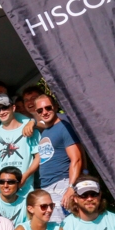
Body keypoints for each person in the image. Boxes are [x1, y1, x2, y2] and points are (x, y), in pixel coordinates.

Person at [34, 94, 83, 223]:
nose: (44, 112)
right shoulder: (46, 131)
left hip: (62, 184)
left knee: (66, 228)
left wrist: (71, 188)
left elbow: (77, 159)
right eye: (40, 110)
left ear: (55, 106)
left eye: (48, 108)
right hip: (46, 186)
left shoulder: (65, 127)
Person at [0, 95, 39, 195]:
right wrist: (4, 179)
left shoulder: (30, 130)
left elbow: (38, 157)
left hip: (25, 191)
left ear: (13, 108)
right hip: (0, 193)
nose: (1, 112)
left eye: (4, 107)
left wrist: (25, 175)